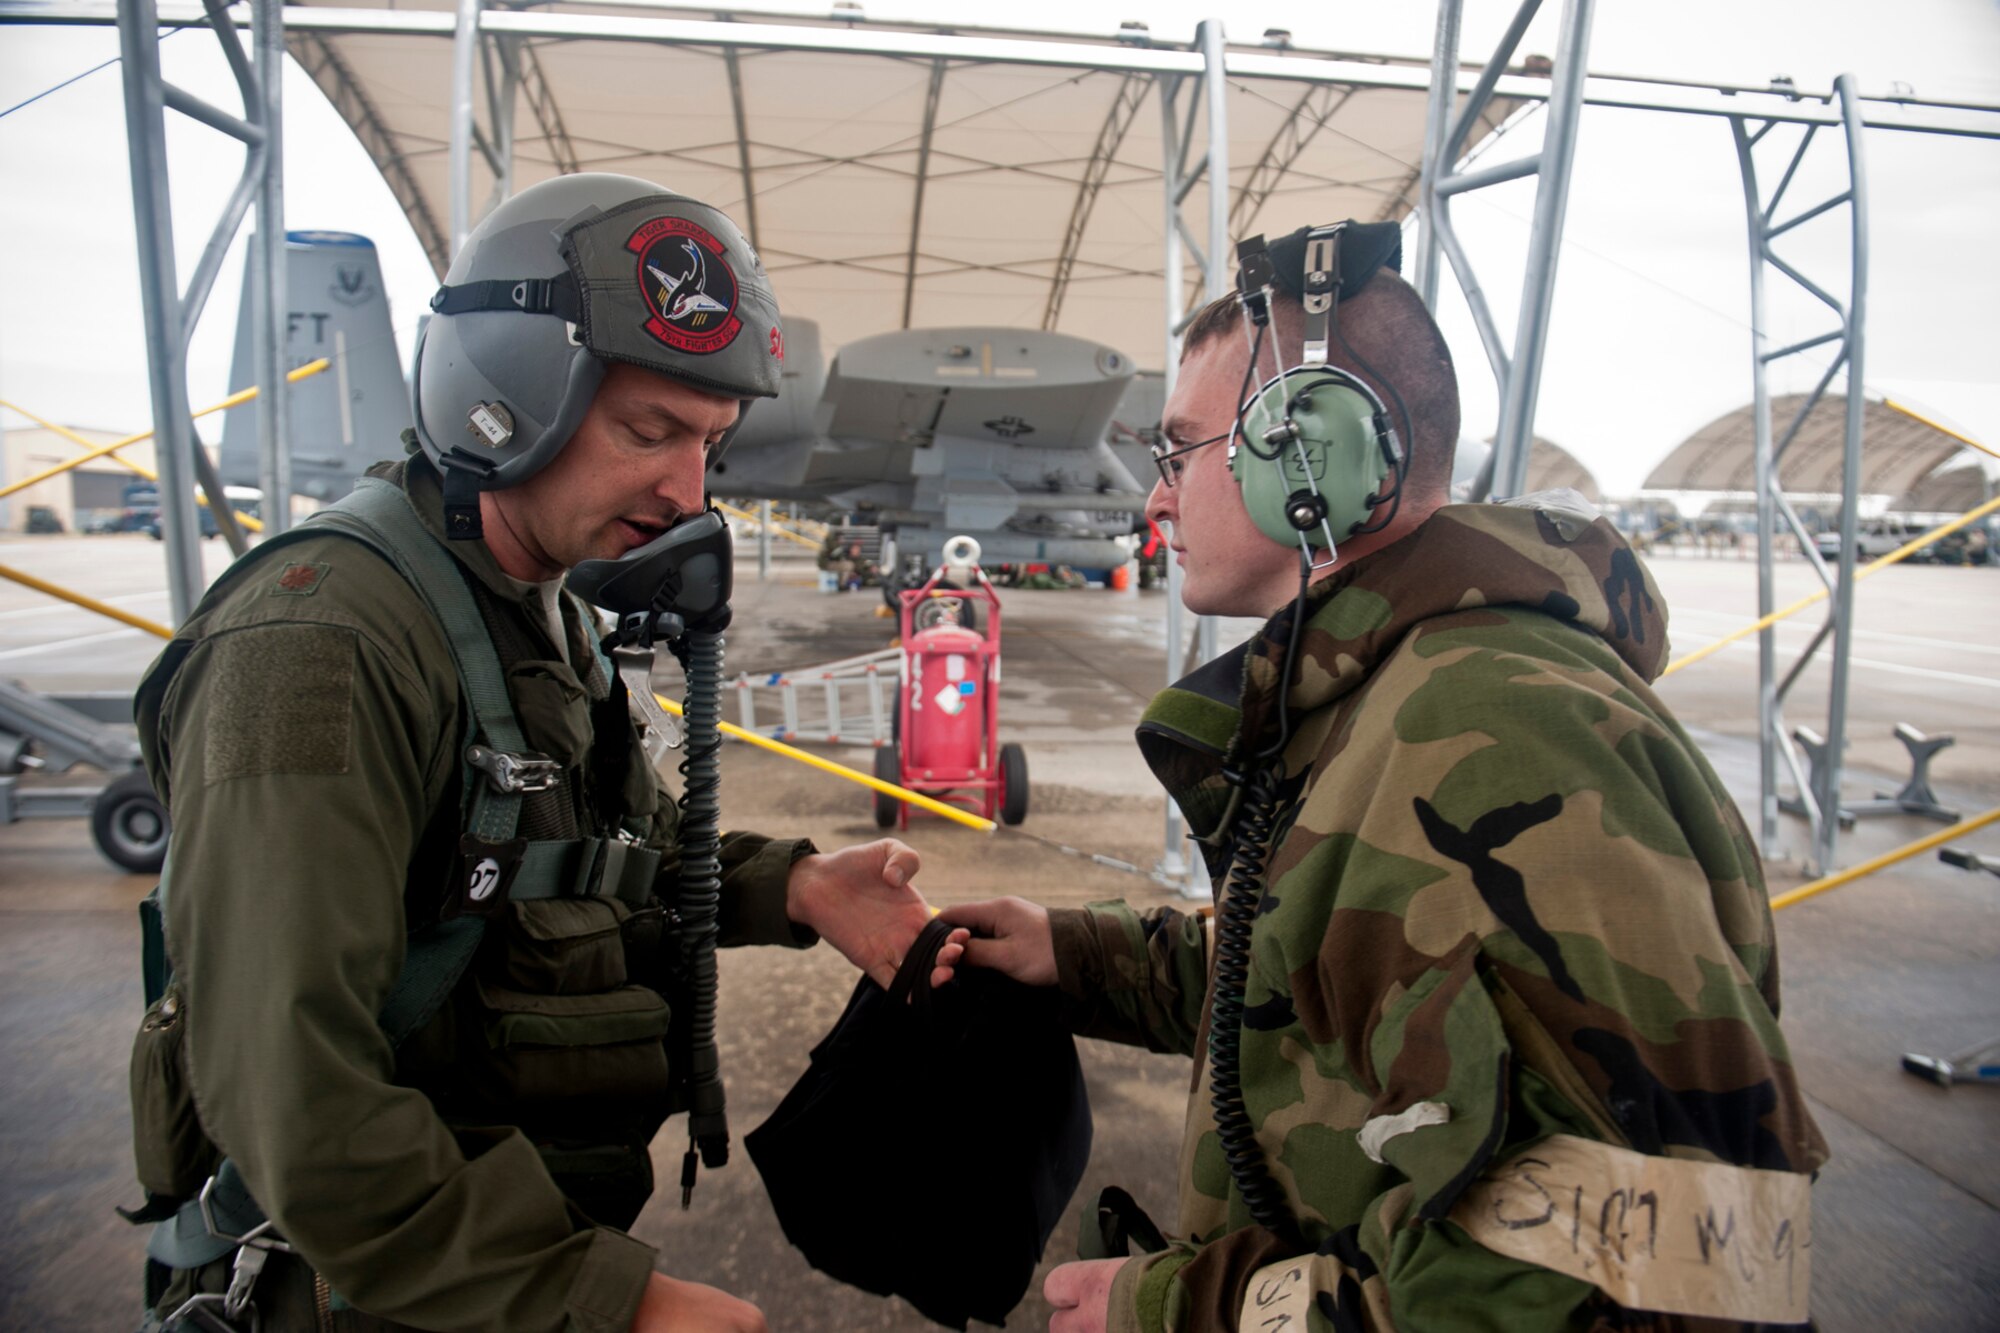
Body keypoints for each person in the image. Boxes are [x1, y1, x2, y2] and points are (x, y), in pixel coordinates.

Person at [945, 222, 1826, 1332]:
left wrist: (1177, 1313)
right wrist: (1075, 954)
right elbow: (1339, 974)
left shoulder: (1492, 728)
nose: (1156, 502)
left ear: (1307, 451)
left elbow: (1638, 1286)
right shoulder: (1393, 692)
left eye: (1178, 452)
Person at [127, 174, 963, 1333]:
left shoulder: (540, 607)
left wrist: (796, 884)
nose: (688, 490)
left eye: (711, 443)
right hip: (365, 1284)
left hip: (486, 1268)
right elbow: (289, 1082)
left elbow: (601, 854)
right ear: (502, 397)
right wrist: (604, 1301)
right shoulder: (322, 643)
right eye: (648, 431)